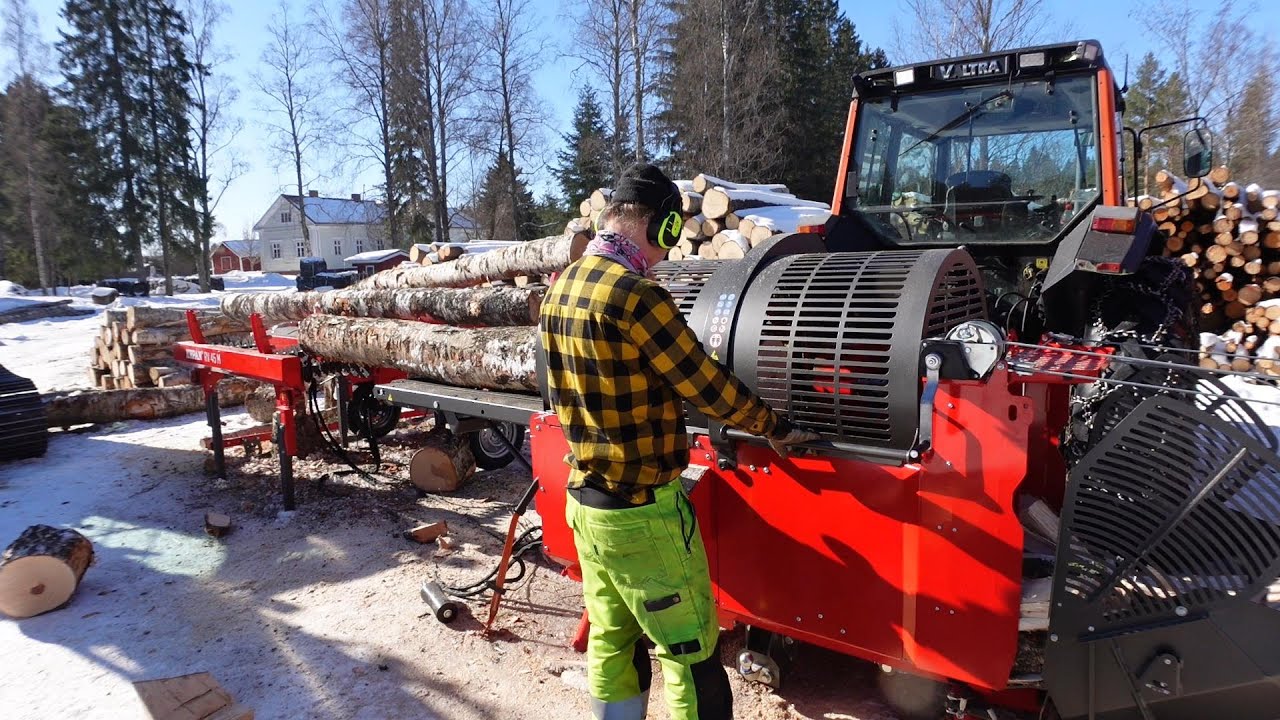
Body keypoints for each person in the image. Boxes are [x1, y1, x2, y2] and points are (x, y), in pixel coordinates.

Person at [538, 162, 820, 720]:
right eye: (670, 237)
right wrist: (774, 426)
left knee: (613, 641)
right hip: (644, 517)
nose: (668, 252)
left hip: (588, 509)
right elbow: (704, 384)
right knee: (690, 654)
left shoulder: (561, 287)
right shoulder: (637, 295)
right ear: (663, 225)